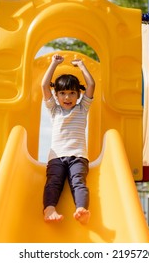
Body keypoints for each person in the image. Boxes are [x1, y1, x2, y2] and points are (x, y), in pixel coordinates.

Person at [41, 53, 95, 224]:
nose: (67, 97)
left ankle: (81, 209)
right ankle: (49, 208)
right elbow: (44, 85)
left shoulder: (82, 108)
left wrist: (81, 65)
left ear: (78, 95)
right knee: (53, 181)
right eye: (62, 93)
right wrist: (53, 64)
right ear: (56, 95)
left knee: (78, 181)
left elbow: (91, 84)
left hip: (78, 156)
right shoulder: (54, 110)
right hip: (56, 156)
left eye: (72, 93)